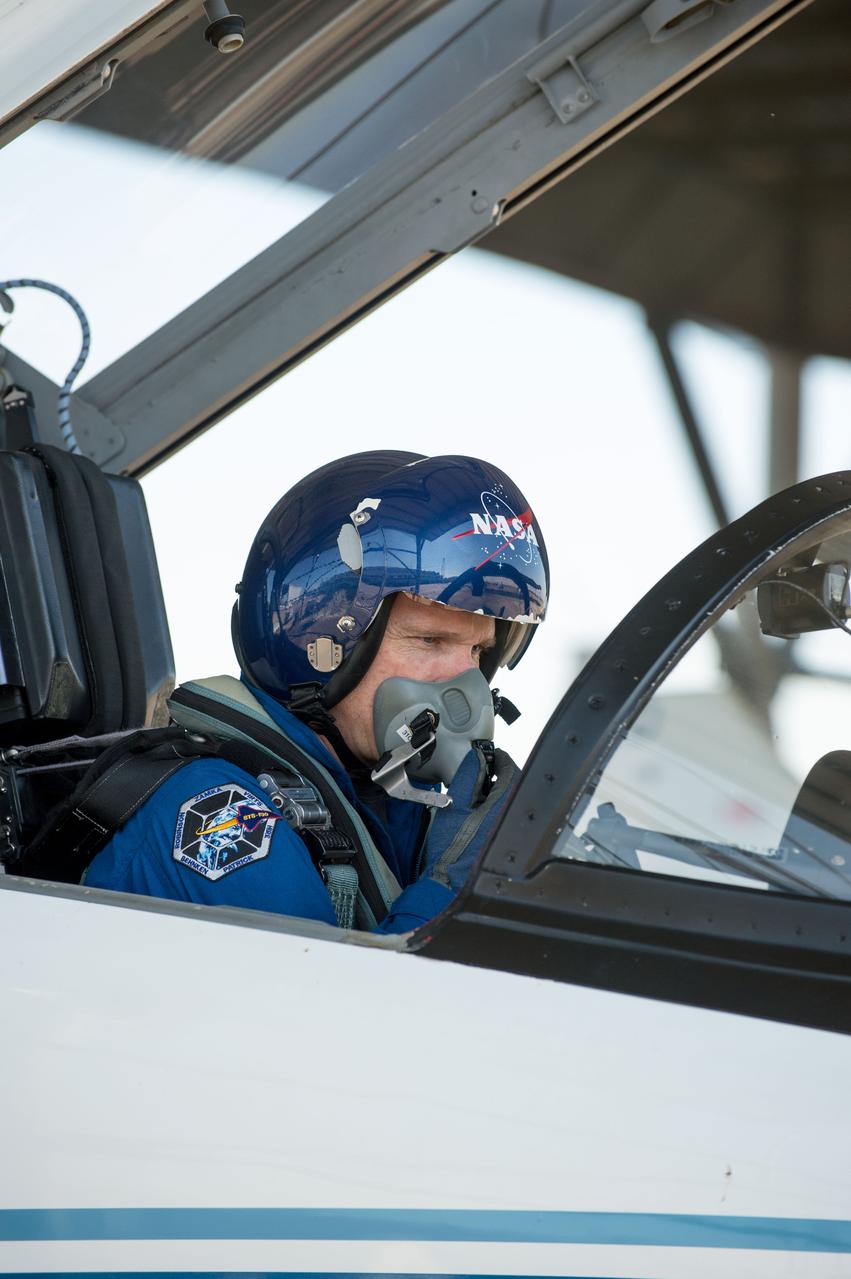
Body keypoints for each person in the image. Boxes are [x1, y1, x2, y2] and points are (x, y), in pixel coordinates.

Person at [84, 451, 549, 933]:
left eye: (478, 652)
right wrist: (455, 889)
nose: (466, 680)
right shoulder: (222, 816)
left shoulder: (403, 796)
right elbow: (336, 1006)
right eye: (430, 640)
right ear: (319, 643)